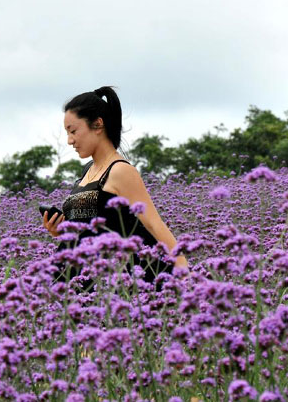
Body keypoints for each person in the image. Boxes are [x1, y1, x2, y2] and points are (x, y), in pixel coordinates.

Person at [43, 86, 188, 284]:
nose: (69, 140)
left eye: (73, 131)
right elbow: (90, 226)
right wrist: (59, 230)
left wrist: (182, 268)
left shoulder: (120, 171)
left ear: (98, 124)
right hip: (78, 275)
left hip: (112, 279)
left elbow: (153, 223)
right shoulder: (87, 171)